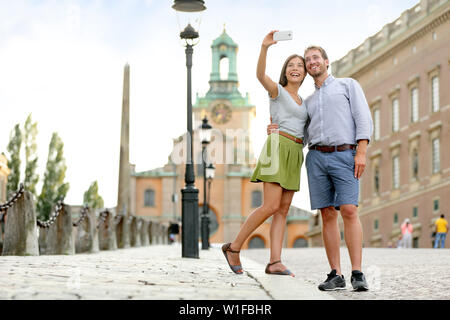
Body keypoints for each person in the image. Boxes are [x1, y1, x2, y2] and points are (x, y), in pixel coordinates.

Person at [268, 45, 373, 291]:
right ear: (306, 70)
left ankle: (357, 272)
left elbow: (363, 118)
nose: (312, 62)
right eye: (308, 60)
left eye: (316, 58)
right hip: (316, 158)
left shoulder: (347, 85)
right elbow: (300, 133)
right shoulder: (308, 102)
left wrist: (361, 152)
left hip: (345, 154)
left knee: (349, 209)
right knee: (327, 214)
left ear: (327, 61)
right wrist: (276, 130)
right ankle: (335, 274)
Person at [222, 31, 308, 277]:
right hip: (277, 148)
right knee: (270, 205)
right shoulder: (277, 91)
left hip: (295, 151)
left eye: (299, 65)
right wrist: (264, 48)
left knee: (283, 210)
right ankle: (234, 247)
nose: (295, 68)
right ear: (285, 71)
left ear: (304, 73)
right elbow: (260, 75)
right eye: (291, 65)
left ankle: (275, 262)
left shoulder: (305, 101)